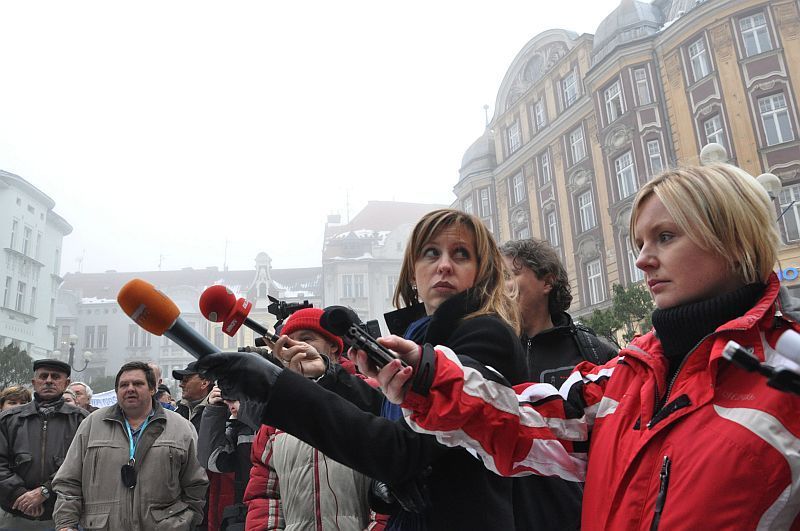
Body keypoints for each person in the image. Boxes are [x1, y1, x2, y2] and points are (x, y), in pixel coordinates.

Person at [363, 164, 800, 530]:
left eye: (665, 237)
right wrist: (428, 375)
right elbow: (529, 422)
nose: (642, 259)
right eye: (640, 243)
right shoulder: (630, 374)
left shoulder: (788, 374)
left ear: (732, 236)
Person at [197, 209, 529, 530]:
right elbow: (389, 415)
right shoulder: (421, 337)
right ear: (413, 273)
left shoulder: (485, 335)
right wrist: (329, 376)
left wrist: (277, 388)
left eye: (460, 255)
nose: (443, 265)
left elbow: (403, 449)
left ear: (481, 272)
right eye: (431, 253)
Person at [498, 238, 617, 529]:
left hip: (576, 517)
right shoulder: (493, 354)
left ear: (547, 281)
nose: (502, 288)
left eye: (510, 276)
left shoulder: (593, 352)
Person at [237, 308, 374, 531]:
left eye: (307, 338)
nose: (296, 346)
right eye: (289, 341)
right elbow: (264, 495)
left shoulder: (368, 396)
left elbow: (389, 490)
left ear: (333, 346)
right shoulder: (276, 416)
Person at [52, 361, 208, 531]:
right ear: (117, 391)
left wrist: (186, 521)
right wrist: (66, 524)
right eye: (124, 385)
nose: (130, 389)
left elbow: (196, 483)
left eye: (138, 384)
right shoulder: (92, 424)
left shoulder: (181, 427)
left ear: (152, 389)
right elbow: (69, 481)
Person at [0, 359, 87, 530]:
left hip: (62, 517)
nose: (48, 380)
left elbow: (84, 465)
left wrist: (45, 492)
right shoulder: (8, 420)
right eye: (43, 376)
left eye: (55, 377)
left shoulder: (82, 421)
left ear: (66, 383)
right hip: (14, 513)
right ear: (34, 382)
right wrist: (21, 495)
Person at [174, 362, 234, 531]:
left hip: (211, 496)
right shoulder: (178, 413)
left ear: (204, 383)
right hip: (180, 498)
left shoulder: (223, 410)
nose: (181, 384)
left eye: (186, 378)